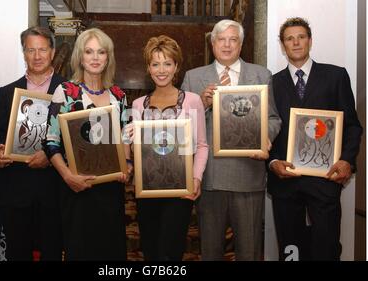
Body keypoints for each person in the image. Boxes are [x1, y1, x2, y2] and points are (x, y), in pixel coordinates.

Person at [181, 19, 282, 261]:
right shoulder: (193, 79)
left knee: (249, 251)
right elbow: (182, 128)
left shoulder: (261, 75)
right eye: (221, 39)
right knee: (211, 251)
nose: (227, 45)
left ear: (241, 44)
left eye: (233, 39)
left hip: (248, 175)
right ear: (213, 43)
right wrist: (203, 105)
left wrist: (263, 137)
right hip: (210, 178)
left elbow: (273, 118)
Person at [267, 17, 362, 261]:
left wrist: (347, 161)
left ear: (310, 40)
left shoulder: (336, 76)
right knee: (291, 252)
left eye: (301, 37)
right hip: (285, 181)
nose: (296, 42)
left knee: (327, 248)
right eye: (289, 38)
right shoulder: (271, 83)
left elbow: (352, 127)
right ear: (282, 44)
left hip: (325, 179)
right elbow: (265, 129)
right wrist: (273, 162)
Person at [43, 28, 130, 260]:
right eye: (89, 51)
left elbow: (124, 138)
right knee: (80, 251)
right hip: (76, 187)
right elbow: (50, 141)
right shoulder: (65, 92)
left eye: (101, 52)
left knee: (111, 252)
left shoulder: (119, 95)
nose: (95, 57)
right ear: (80, 57)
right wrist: (68, 177)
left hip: (110, 188)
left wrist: (127, 164)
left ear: (108, 57)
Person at [0, 26, 65, 260]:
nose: (37, 56)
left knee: (53, 251)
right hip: (16, 189)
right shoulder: (8, 92)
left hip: (54, 190)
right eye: (31, 50)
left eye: (42, 49)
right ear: (24, 53)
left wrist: (51, 156)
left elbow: (74, 138)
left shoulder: (70, 90)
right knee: (17, 252)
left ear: (52, 52)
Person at [131, 35, 208, 260]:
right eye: (155, 64)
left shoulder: (192, 100)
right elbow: (137, 151)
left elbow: (202, 145)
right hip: (147, 190)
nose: (161, 70)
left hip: (179, 189)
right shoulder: (137, 105)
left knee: (171, 251)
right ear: (148, 68)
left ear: (176, 67)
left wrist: (196, 178)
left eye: (167, 63)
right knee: (151, 251)